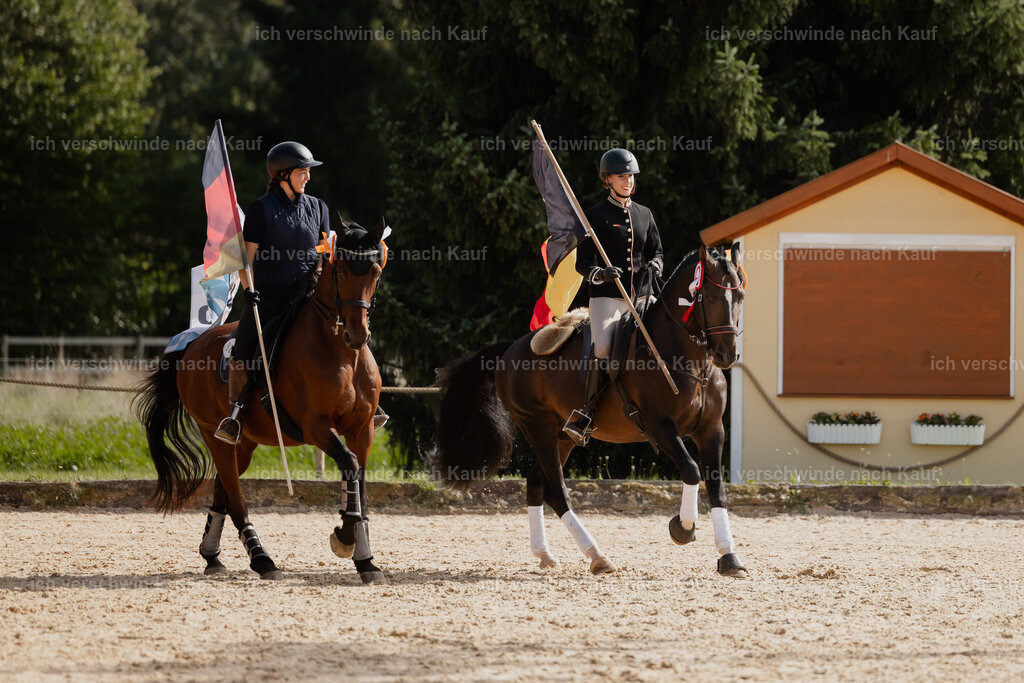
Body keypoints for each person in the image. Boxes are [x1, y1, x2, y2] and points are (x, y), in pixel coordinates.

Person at [562, 148, 663, 447]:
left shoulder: (645, 214)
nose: (628, 181)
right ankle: (587, 413)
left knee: (665, 336)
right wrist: (601, 273)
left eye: (631, 176)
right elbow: (582, 264)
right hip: (607, 297)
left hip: (642, 296)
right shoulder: (593, 217)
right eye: (621, 176)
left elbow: (657, 251)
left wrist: (656, 265)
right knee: (604, 346)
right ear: (607, 180)